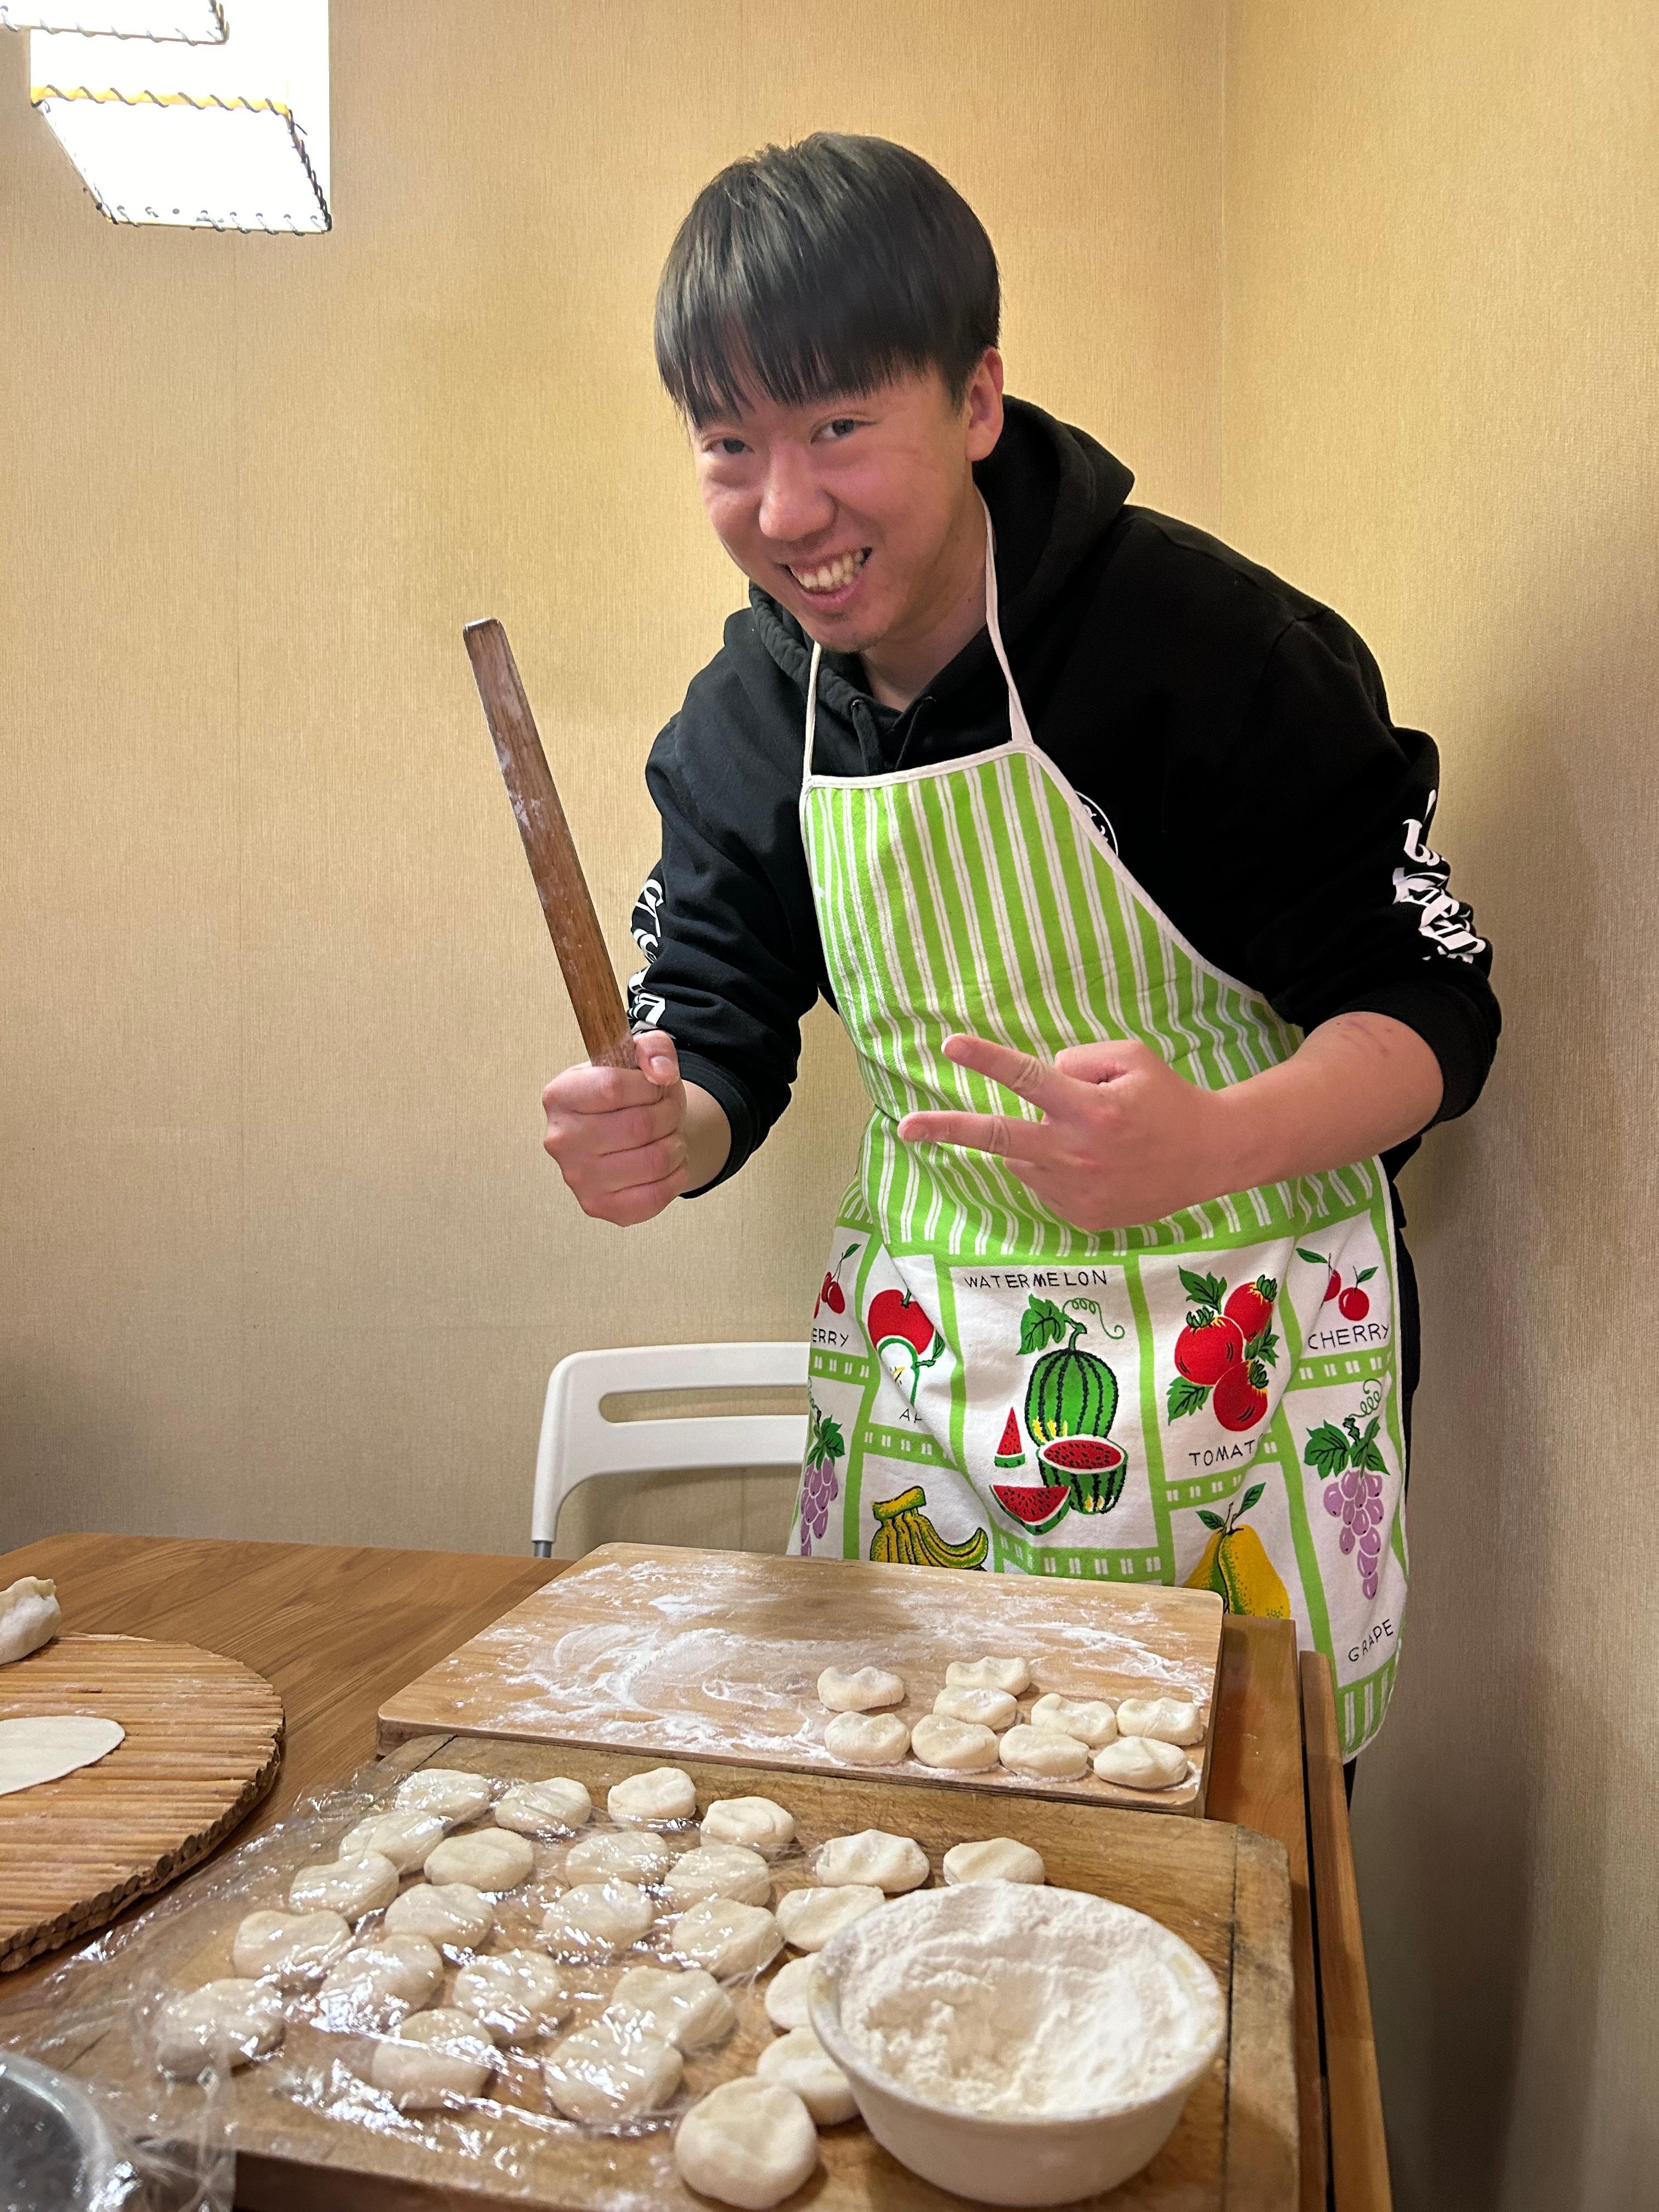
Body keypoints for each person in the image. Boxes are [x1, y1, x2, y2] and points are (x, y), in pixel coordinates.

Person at [540, 134, 1498, 1758]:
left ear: (975, 402)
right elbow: (713, 1015)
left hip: (1246, 1367)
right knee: (907, 1866)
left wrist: (1210, 1142)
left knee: (1234, 1884)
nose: (786, 510)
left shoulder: (1203, 649)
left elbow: (1431, 1005)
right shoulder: (743, 721)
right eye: (729, 445)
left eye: (841, 427)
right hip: (935, 1393)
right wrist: (663, 1126)